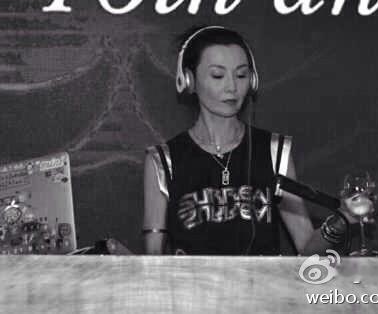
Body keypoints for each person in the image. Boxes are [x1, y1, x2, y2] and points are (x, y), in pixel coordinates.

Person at [143, 25, 348, 255]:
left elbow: (308, 249)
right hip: (192, 280)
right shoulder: (163, 160)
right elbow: (153, 261)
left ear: (252, 81)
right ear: (189, 80)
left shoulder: (274, 151)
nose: (232, 87)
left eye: (241, 75)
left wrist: (342, 220)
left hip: (263, 280)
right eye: (218, 75)